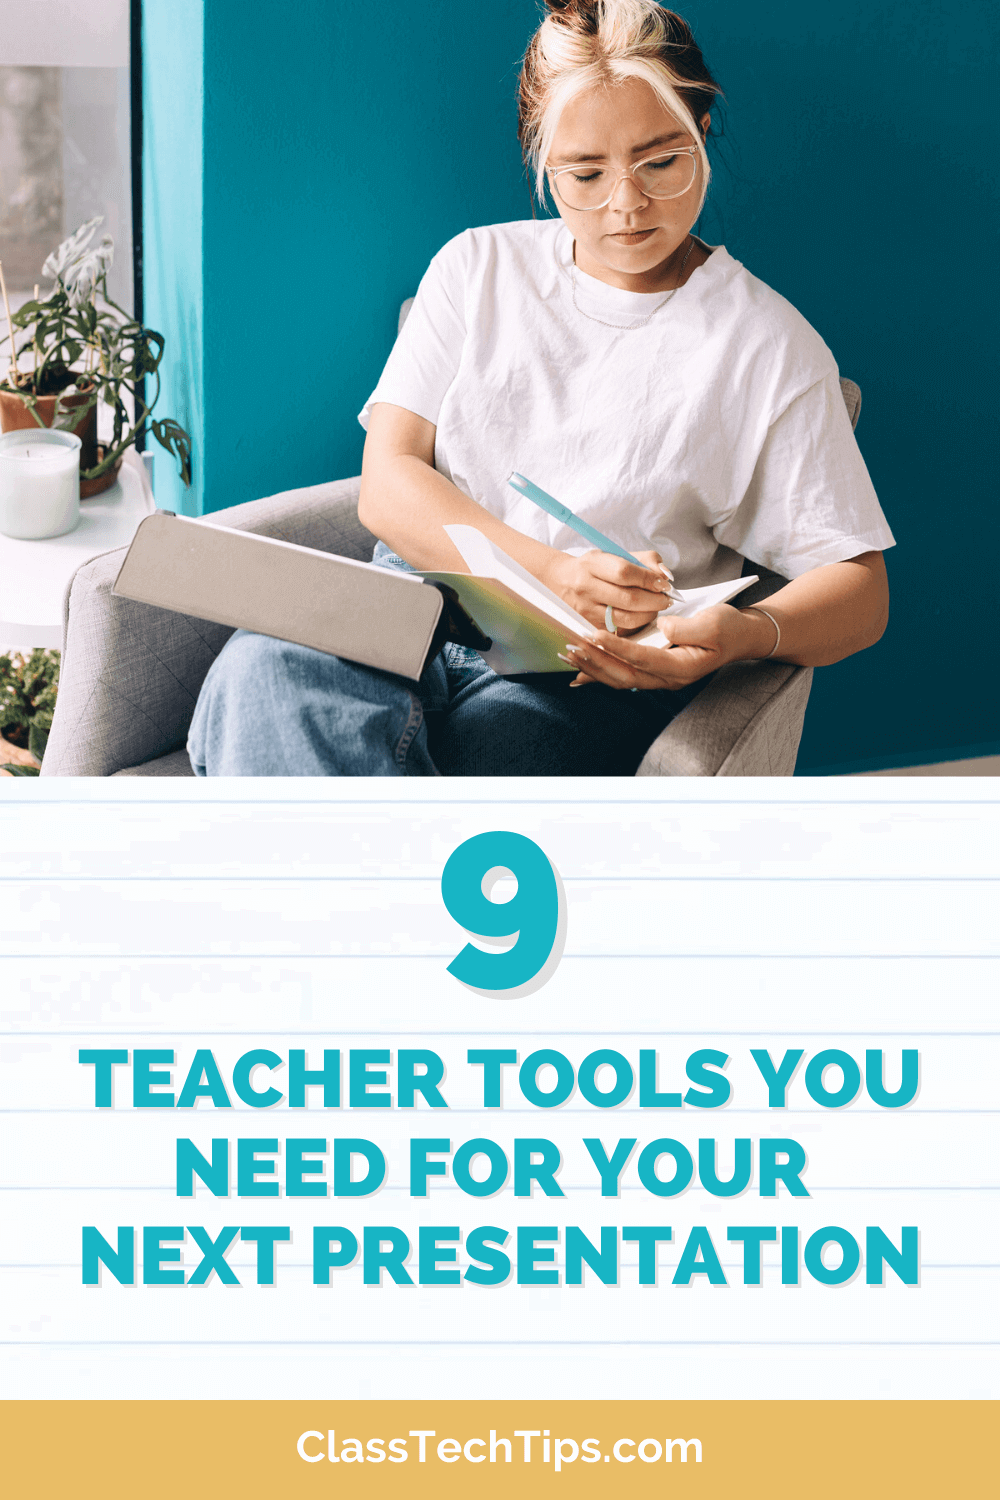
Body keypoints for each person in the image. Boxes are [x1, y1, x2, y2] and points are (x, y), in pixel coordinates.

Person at [188, 0, 893, 777]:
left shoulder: (768, 346)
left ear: (701, 126)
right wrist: (551, 573)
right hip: (410, 610)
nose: (626, 204)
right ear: (543, 161)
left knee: (491, 762)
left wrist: (745, 636)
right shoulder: (475, 269)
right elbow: (385, 487)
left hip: (583, 673)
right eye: (585, 174)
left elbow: (859, 591)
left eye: (661, 162)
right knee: (265, 673)